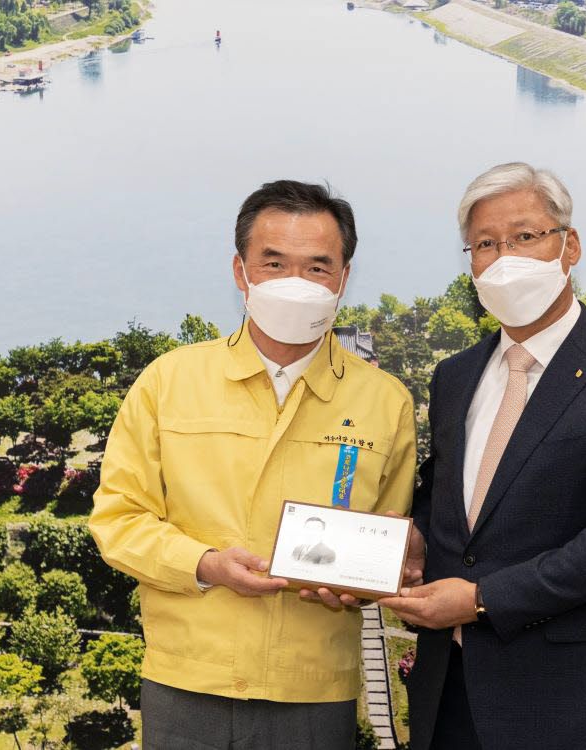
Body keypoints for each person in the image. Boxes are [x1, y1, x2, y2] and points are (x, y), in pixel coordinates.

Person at [89, 180, 416, 750]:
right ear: (241, 271)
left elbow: (386, 542)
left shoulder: (385, 402)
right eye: (274, 263)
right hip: (186, 679)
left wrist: (361, 584)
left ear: (343, 278)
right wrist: (207, 563)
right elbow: (118, 523)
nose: (296, 283)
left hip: (314, 690)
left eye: (317, 268)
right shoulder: (169, 382)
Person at [380, 162, 586, 750]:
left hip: (569, 702)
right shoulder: (455, 376)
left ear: (569, 246)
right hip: (449, 696)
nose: (505, 258)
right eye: (485, 244)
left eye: (525, 237)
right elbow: (447, 493)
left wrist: (480, 598)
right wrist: (416, 535)